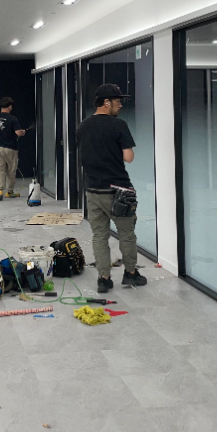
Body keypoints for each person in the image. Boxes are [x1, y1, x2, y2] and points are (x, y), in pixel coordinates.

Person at [76, 83, 147, 293]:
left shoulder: (83, 126)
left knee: (99, 236)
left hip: (93, 190)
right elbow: (129, 157)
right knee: (127, 234)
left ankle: (104, 278)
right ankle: (131, 273)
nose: (121, 105)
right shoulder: (119, 125)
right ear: (107, 102)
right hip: (118, 191)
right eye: (118, 101)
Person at [0, 96, 26, 201]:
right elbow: (18, 133)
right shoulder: (12, 119)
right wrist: (23, 132)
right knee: (11, 170)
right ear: (10, 107)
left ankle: (0, 190)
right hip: (10, 148)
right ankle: (9, 192)